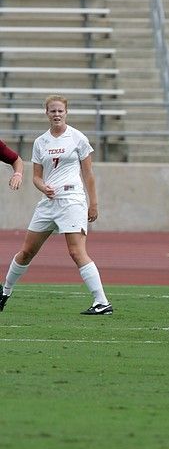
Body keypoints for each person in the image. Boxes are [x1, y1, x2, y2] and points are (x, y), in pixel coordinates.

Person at [0, 95, 112, 315]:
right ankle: (5, 293)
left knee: (76, 251)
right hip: (48, 203)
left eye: (60, 111)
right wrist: (43, 187)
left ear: (66, 113)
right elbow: (37, 177)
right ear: (47, 114)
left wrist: (93, 203)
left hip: (72, 201)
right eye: (53, 111)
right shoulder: (41, 142)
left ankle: (101, 302)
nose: (57, 114)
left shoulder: (78, 138)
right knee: (26, 251)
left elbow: (88, 174)